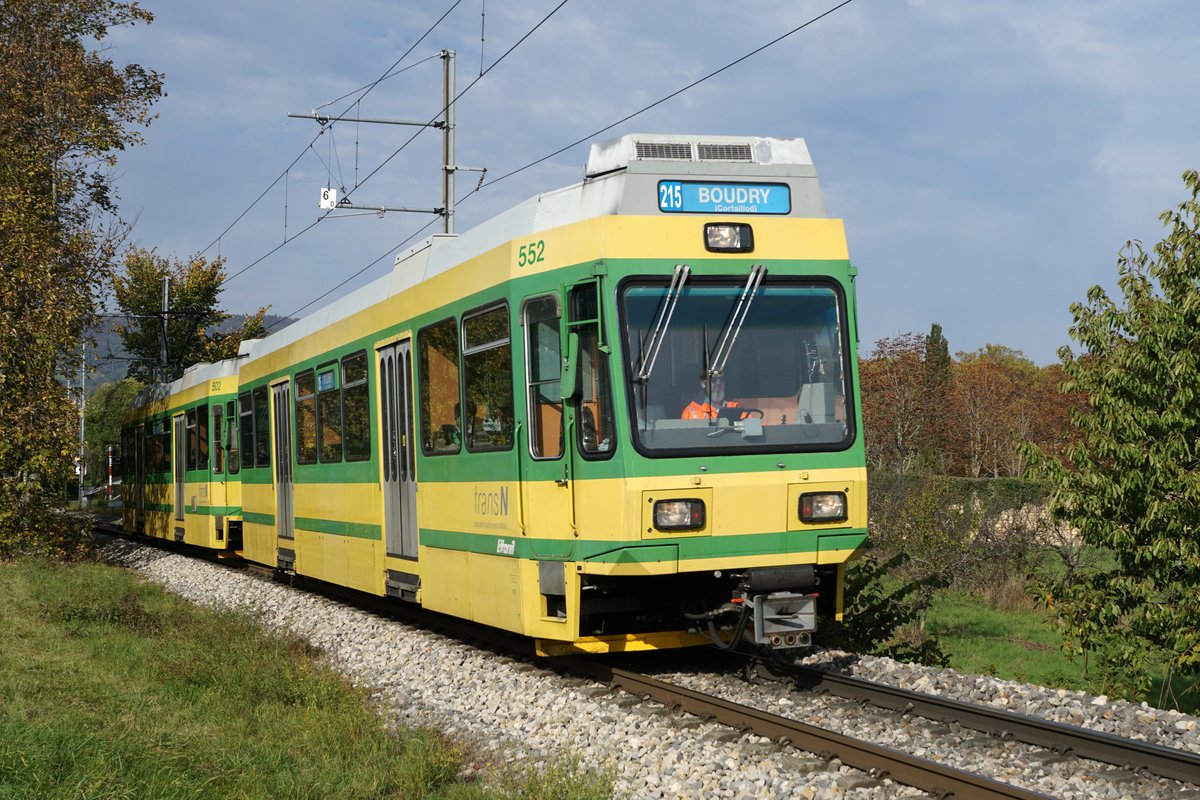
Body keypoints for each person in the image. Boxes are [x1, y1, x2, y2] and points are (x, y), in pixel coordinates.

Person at [681, 372, 748, 420]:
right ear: (703, 383)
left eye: (721, 379)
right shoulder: (690, 411)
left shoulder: (736, 408)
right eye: (713, 380)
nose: (718, 383)